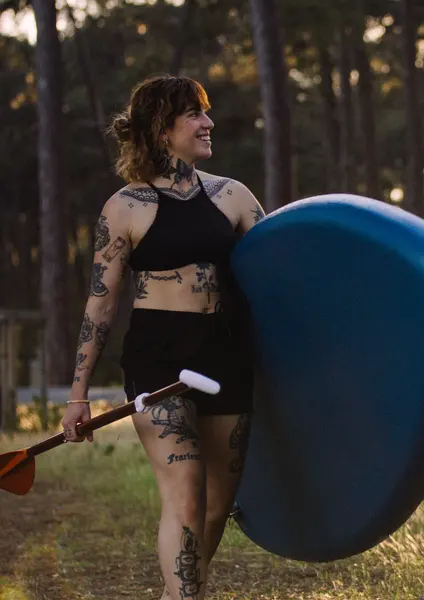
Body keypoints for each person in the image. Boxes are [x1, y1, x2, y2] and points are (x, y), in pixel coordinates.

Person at [61, 74, 265, 600]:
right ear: (161, 127)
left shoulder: (234, 196)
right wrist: (78, 395)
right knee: (186, 499)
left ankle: (184, 591)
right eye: (194, 114)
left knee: (220, 503)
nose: (208, 123)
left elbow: (277, 279)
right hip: (159, 357)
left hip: (226, 351)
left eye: (206, 112)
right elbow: (100, 304)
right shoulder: (125, 206)